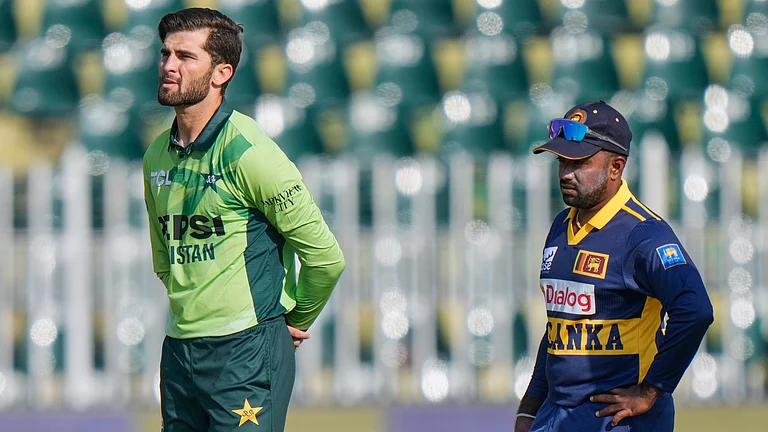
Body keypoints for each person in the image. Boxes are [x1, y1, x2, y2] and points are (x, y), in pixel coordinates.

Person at [142, 8, 345, 432]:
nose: (168, 66)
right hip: (179, 352)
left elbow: (326, 258)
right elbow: (166, 260)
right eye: (165, 54)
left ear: (221, 73)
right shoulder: (155, 155)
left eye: (185, 56)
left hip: (247, 351)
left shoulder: (252, 153)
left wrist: (292, 322)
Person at [515, 101, 714, 432]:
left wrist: (651, 391)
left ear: (615, 167)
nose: (566, 172)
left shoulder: (643, 234)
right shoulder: (561, 225)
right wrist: (530, 407)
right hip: (556, 416)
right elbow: (559, 327)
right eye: (562, 161)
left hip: (615, 420)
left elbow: (695, 310)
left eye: (579, 163)